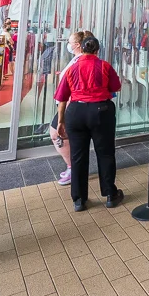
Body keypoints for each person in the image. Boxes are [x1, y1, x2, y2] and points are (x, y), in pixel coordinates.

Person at [54, 35, 124, 211]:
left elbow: (62, 98)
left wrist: (61, 121)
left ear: (82, 49)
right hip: (101, 112)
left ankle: (79, 200)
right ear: (97, 50)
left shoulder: (72, 68)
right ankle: (110, 195)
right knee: (106, 153)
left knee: (78, 157)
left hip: (76, 113)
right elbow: (116, 87)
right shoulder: (104, 66)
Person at [49, 31, 92, 188]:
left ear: (78, 45)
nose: (68, 44)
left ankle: (74, 169)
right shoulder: (78, 59)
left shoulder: (81, 61)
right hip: (69, 105)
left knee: (56, 135)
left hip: (70, 106)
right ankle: (74, 168)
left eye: (70, 42)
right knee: (67, 137)